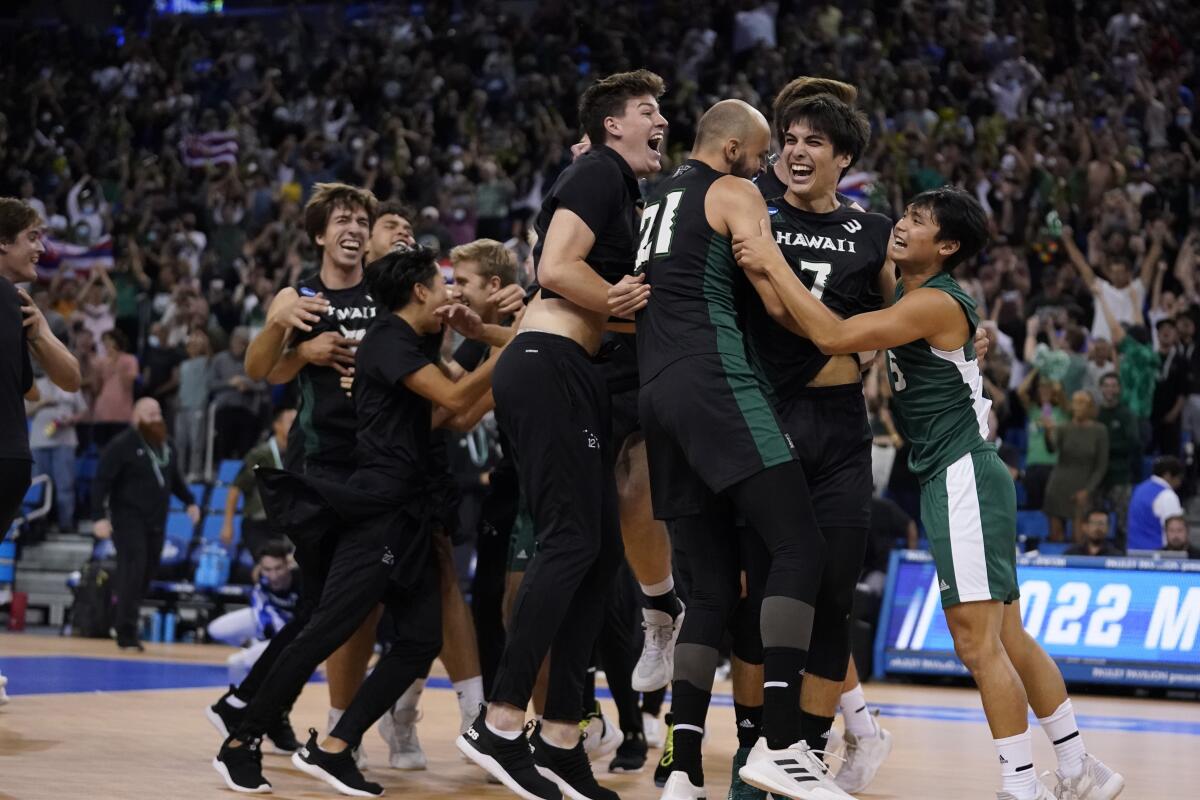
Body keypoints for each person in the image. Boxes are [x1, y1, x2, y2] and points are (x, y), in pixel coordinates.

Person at [734, 185, 1124, 800]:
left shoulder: (936, 303)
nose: (903, 224)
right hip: (966, 474)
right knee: (1008, 638)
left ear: (945, 245)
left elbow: (835, 337)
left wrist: (770, 264)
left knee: (976, 641)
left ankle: (1020, 785)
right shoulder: (919, 296)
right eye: (907, 214)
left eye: (918, 220)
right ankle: (1079, 767)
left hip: (963, 473)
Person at [213, 246, 502, 796]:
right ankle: (240, 741)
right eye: (442, 283)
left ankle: (335, 745)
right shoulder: (390, 338)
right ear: (419, 291)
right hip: (380, 509)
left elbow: (457, 413)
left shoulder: (410, 340)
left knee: (419, 641)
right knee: (327, 626)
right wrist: (514, 347)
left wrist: (497, 338)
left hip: (410, 509)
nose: (449, 290)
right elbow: (457, 393)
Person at [457, 69, 667, 800]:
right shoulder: (601, 169)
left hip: (564, 365)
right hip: (547, 365)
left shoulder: (619, 184)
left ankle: (560, 739)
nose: (661, 121)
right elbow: (553, 268)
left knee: (604, 550)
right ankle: (500, 719)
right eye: (648, 111)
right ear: (612, 125)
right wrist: (615, 297)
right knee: (573, 543)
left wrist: (628, 308)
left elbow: (595, 297)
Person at [626, 98, 836, 800]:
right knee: (799, 548)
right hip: (715, 382)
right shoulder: (734, 190)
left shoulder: (656, 199)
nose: (772, 161)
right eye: (766, 149)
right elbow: (777, 300)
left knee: (708, 592)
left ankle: (683, 772)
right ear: (738, 149)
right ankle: (780, 745)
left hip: (655, 391)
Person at [731, 90, 894, 798]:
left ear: (844, 159)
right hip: (765, 415)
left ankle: (808, 755)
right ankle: (753, 753)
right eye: (790, 138)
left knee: (834, 595)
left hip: (841, 425)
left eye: (814, 143)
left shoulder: (873, 230)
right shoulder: (750, 213)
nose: (796, 150)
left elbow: (901, 317)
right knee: (759, 593)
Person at [206, 183, 381, 765]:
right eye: (341, 221)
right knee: (326, 606)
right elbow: (260, 369)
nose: (353, 229)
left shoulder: (384, 290)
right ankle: (259, 712)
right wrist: (300, 349)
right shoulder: (299, 293)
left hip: (375, 461)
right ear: (320, 235)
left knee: (319, 606)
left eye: (360, 220)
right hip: (320, 464)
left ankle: (252, 703)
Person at [0, 194, 80, 722]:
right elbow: (39, 390)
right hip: (13, 459)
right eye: (33, 237)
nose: (42, 247)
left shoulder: (17, 302)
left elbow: (68, 381)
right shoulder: (12, 301)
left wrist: (43, 330)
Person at [92, 397, 200, 651]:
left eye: (158, 413)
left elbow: (175, 481)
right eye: (149, 414)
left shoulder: (166, 446)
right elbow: (101, 482)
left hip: (156, 520)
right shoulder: (122, 445)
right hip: (128, 519)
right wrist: (98, 516)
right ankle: (126, 632)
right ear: (135, 417)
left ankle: (122, 616)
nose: (155, 418)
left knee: (147, 572)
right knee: (133, 569)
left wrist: (190, 503)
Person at [207, 540, 302, 685]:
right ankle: (252, 646)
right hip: (270, 619)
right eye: (268, 569)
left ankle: (240, 701)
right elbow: (258, 605)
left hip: (293, 635)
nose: (273, 575)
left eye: (278, 568)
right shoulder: (261, 578)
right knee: (216, 629)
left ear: (288, 565)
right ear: (261, 568)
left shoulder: (303, 582)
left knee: (236, 662)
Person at [219, 407, 297, 568]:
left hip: (286, 523)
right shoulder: (260, 454)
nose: (298, 426)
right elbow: (236, 488)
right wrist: (228, 524)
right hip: (259, 522)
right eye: (291, 422)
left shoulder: (299, 454)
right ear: (277, 426)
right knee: (267, 565)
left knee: (289, 566)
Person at [1043, 391, 1109, 544]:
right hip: (1058, 487)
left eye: (1082, 402)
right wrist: (1047, 432)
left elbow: (1101, 466)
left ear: (1091, 407)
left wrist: (1088, 491)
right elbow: (1051, 448)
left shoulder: (1100, 431)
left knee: (1080, 539)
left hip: (1084, 488)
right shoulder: (1063, 428)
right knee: (1055, 537)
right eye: (1075, 402)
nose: (1077, 406)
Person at [26, 369, 88, 530]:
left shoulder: (71, 386)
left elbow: (83, 411)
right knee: (38, 486)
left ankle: (65, 524)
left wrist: (72, 419)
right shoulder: (35, 386)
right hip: (39, 442)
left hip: (65, 441)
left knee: (65, 485)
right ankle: (37, 525)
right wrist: (42, 403)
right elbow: (24, 412)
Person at [1095, 373, 1140, 550]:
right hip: (1097, 477)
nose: (1110, 389)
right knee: (1094, 517)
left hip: (1120, 476)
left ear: (1119, 389)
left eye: (1114, 385)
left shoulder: (1126, 414)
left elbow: (1133, 443)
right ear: (1100, 388)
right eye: (1106, 385)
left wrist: (1105, 447)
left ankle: (1122, 557)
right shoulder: (1095, 413)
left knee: (1123, 523)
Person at [210, 327, 268, 463]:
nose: (239, 345)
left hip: (247, 411)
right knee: (224, 448)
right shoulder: (219, 359)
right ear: (231, 341)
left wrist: (248, 385)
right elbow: (210, 385)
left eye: (243, 342)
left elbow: (264, 385)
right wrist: (230, 383)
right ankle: (224, 480)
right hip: (225, 410)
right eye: (237, 341)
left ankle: (242, 481)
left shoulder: (253, 360)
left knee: (245, 451)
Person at [90, 328, 140, 448]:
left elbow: (129, 384)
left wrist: (116, 361)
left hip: (122, 413)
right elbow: (96, 389)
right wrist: (96, 373)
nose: (106, 343)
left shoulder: (130, 359)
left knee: (122, 449)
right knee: (102, 450)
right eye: (104, 341)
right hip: (102, 413)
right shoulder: (100, 362)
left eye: (109, 340)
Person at [1127, 456, 1186, 552]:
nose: (1180, 482)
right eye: (1179, 478)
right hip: (1156, 557)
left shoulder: (1139, 489)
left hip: (1133, 553)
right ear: (1168, 475)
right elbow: (1174, 530)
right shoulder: (1167, 496)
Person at [175, 329, 212, 482]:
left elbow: (211, 354)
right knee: (180, 442)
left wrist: (203, 339)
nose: (192, 346)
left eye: (196, 344)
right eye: (190, 344)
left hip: (197, 406)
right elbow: (181, 385)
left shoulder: (206, 362)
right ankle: (178, 473)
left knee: (196, 441)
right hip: (182, 407)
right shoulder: (183, 364)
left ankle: (194, 471)